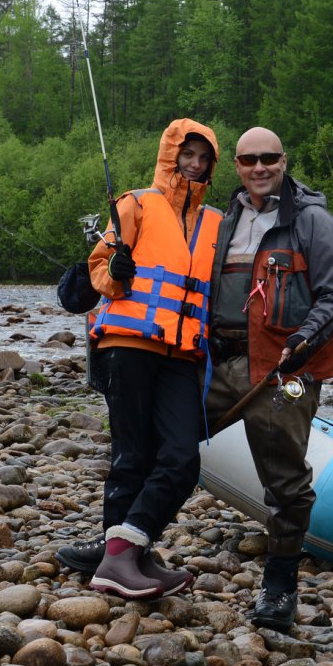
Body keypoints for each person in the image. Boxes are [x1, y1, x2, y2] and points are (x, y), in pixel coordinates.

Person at [56, 118, 221, 600]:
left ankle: (124, 551)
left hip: (181, 353)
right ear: (170, 156)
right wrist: (114, 268)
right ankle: (127, 561)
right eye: (186, 154)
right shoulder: (136, 204)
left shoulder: (216, 223)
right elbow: (96, 270)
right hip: (126, 345)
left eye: (202, 157)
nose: (193, 163)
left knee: (180, 458)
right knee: (132, 456)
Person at [205, 127, 333, 631]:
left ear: (284, 161)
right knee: (166, 444)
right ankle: (128, 547)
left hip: (285, 368)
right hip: (220, 365)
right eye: (249, 160)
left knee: (286, 483)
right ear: (238, 167)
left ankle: (280, 585)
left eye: (269, 158)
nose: (259, 167)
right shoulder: (224, 220)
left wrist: (305, 340)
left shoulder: (313, 222)